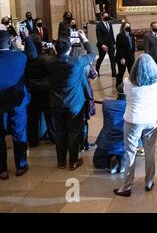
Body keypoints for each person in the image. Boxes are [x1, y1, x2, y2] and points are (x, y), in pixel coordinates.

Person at [45, 30, 96, 171]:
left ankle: (61, 162)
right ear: (70, 48)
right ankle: (72, 162)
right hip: (74, 103)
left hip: (56, 102)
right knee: (74, 132)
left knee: (60, 132)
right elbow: (92, 54)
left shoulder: (49, 63)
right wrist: (84, 38)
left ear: (56, 48)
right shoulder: (77, 61)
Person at [113, 54, 157, 197]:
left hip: (133, 121)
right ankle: (149, 181)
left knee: (130, 152)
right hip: (151, 120)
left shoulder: (128, 83)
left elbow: (119, 88)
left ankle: (127, 186)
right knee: (150, 151)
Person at [0, 28, 37, 180]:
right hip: (18, 101)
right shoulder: (20, 56)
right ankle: (21, 165)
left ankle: (2, 170)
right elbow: (33, 55)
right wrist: (27, 39)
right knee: (19, 132)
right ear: (10, 42)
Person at [26, 34, 55, 147]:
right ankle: (53, 137)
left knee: (33, 117)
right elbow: (52, 72)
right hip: (45, 90)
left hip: (32, 90)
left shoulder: (26, 58)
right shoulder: (45, 58)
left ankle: (33, 141)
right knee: (49, 115)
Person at [93, 85, 127, 173]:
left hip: (106, 139)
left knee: (98, 161)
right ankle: (121, 159)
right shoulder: (131, 106)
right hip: (123, 139)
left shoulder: (106, 104)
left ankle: (111, 160)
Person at [115, 21, 136, 89]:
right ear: (123, 27)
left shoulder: (131, 35)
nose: (128, 28)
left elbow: (132, 46)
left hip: (130, 57)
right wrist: (122, 58)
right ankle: (118, 86)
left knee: (132, 72)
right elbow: (119, 48)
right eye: (126, 26)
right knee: (121, 72)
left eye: (129, 26)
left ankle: (134, 85)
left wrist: (133, 57)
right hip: (122, 57)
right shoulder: (120, 36)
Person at [95, 11, 117, 77]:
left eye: (107, 16)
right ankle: (97, 70)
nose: (106, 17)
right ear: (102, 17)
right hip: (103, 46)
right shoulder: (99, 25)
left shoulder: (109, 24)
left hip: (110, 45)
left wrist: (114, 43)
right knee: (101, 58)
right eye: (105, 16)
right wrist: (102, 45)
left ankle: (114, 72)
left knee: (112, 59)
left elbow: (111, 34)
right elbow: (98, 36)